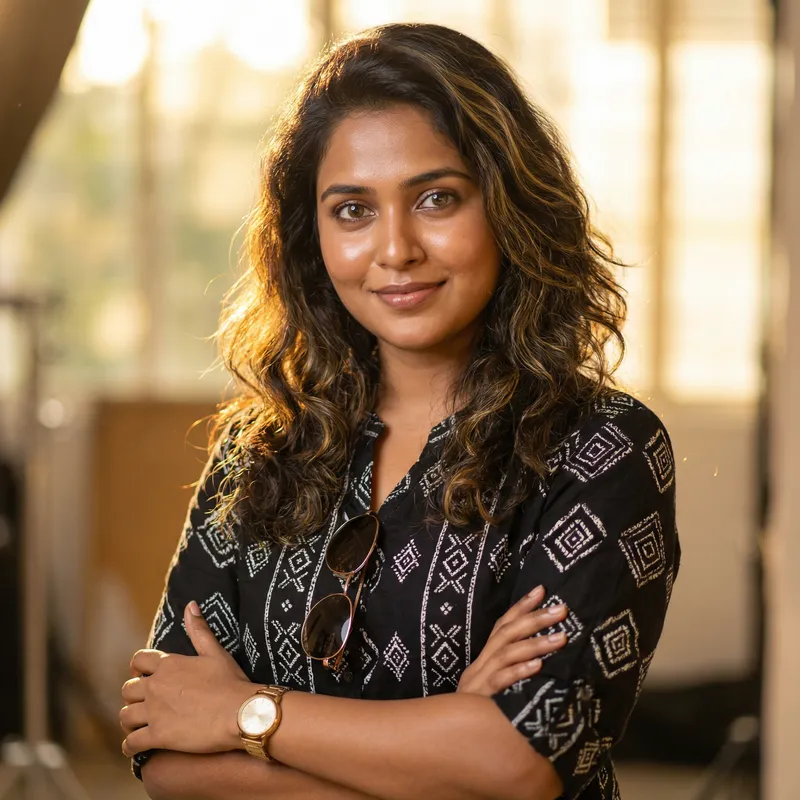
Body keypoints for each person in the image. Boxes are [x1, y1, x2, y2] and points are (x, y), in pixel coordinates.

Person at [119, 21, 680, 800]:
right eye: (352, 210)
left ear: (510, 207)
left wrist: (246, 716)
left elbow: (522, 763)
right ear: (310, 235)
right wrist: (449, 741)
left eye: (437, 198)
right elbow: (165, 746)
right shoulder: (261, 450)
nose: (396, 249)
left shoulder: (602, 448)